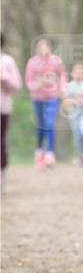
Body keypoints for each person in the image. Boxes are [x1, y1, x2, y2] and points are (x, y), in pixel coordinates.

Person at [24, 37, 66, 169]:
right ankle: (39, 151)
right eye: (41, 46)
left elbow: (62, 76)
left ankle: (50, 153)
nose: (44, 48)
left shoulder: (56, 61)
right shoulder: (32, 63)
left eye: (45, 46)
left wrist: (62, 90)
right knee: (41, 125)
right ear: (37, 48)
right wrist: (37, 84)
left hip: (52, 97)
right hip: (37, 97)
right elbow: (29, 81)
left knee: (49, 123)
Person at [63, 63, 83, 165]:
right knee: (77, 135)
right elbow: (66, 101)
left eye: (81, 73)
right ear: (72, 74)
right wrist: (72, 103)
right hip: (75, 113)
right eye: (76, 73)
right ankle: (79, 155)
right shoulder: (69, 86)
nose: (78, 75)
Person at [0, 33, 22, 186]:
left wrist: (5, 79)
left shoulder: (7, 61)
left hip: (2, 108)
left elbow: (17, 85)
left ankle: (2, 174)